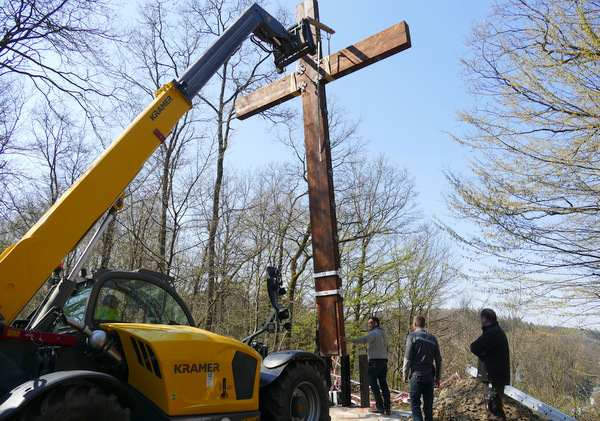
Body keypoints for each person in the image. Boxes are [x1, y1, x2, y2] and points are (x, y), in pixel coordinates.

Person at [342, 316, 391, 415]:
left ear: (376, 323)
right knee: (383, 384)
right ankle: (388, 407)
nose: (369, 324)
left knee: (372, 383)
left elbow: (365, 340)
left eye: (370, 323)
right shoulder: (384, 333)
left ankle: (379, 406)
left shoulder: (374, 333)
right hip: (383, 361)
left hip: (374, 362)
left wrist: (349, 340)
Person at [470, 308, 510, 421]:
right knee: (493, 410)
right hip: (495, 377)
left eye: (480, 318)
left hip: (492, 377)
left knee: (494, 412)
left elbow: (474, 347)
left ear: (484, 319)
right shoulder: (496, 331)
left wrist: (482, 352)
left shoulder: (492, 333)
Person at [402, 315, 442, 421]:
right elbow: (438, 360)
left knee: (415, 404)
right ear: (424, 324)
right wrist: (438, 377)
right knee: (428, 406)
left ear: (415, 324)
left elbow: (407, 357)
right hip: (429, 377)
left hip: (416, 376)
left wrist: (405, 374)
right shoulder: (433, 339)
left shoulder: (412, 336)